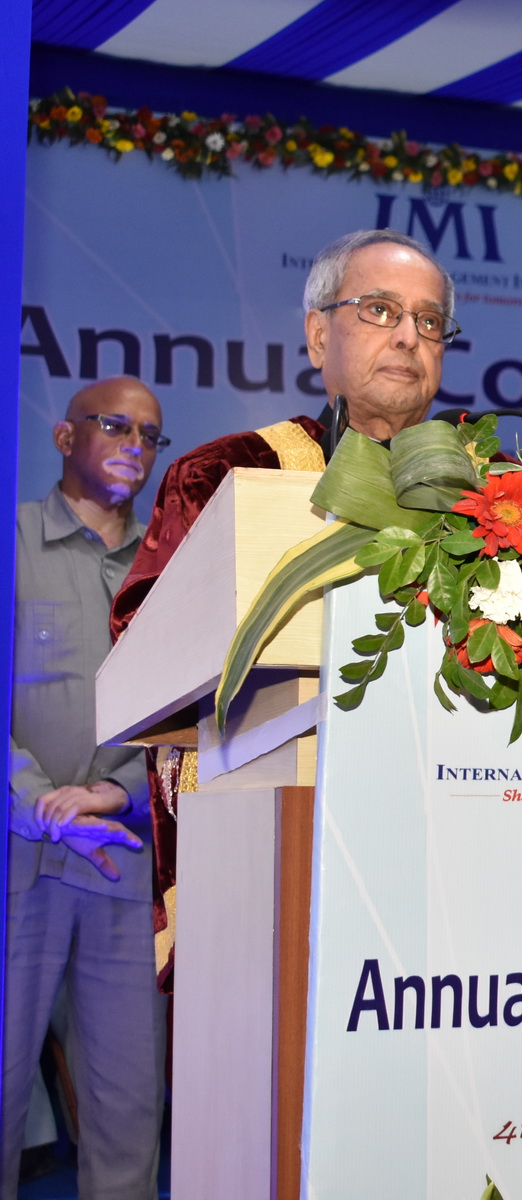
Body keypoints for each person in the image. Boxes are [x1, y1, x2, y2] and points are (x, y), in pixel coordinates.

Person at [110, 228, 459, 988]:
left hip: (459, 868)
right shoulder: (228, 474)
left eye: (430, 321)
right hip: (273, 868)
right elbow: (147, 653)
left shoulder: (493, 491)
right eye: (380, 309)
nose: (409, 335)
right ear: (316, 335)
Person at [7, 379, 167, 1199]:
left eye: (150, 433)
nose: (135, 443)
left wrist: (115, 794)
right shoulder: (14, 541)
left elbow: (184, 716)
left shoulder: (164, 569)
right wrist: (37, 802)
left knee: (128, 1098)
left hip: (121, 859)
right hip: (20, 862)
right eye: (115, 425)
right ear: (66, 438)